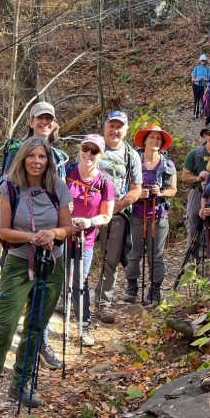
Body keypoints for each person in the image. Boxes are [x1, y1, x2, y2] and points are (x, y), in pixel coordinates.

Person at [0, 138, 73, 418]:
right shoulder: (9, 188)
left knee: (36, 326)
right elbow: (3, 231)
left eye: (42, 156)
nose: (37, 161)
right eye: (31, 156)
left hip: (52, 263)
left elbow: (68, 227)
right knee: (4, 327)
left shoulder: (58, 186)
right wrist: (33, 237)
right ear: (22, 158)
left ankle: (21, 384)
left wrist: (53, 233)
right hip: (19, 263)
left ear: (48, 160)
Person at [0, 100, 69, 370]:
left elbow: (61, 194)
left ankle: (37, 347)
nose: (44, 123)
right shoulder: (17, 150)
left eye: (49, 119)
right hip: (19, 240)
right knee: (5, 291)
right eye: (39, 118)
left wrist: (60, 224)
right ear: (31, 122)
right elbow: (9, 185)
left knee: (40, 300)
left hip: (50, 244)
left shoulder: (57, 156)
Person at [93, 111, 142, 324]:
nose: (115, 130)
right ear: (105, 127)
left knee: (110, 259)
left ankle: (103, 304)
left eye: (119, 127)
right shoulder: (93, 147)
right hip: (88, 212)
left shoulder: (131, 155)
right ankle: (69, 298)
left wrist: (120, 204)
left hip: (117, 215)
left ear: (126, 130)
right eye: (111, 126)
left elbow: (136, 188)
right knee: (77, 256)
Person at [64, 135, 115, 343]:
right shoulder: (66, 172)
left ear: (100, 155)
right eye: (86, 148)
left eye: (94, 151)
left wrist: (89, 222)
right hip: (61, 236)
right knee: (58, 279)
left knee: (80, 281)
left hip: (86, 238)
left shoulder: (105, 182)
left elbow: (106, 215)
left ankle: (83, 327)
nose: (88, 154)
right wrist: (66, 219)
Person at [123, 125, 177, 307]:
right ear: (144, 141)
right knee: (134, 251)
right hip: (136, 214)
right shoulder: (133, 161)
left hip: (158, 214)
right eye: (152, 137)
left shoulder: (167, 164)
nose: (155, 141)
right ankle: (132, 286)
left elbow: (173, 190)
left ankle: (155, 290)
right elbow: (124, 187)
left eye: (158, 138)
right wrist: (138, 194)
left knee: (156, 254)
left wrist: (160, 193)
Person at [181, 123, 210, 246]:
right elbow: (185, 176)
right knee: (193, 226)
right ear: (205, 135)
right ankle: (191, 256)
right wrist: (199, 178)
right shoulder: (195, 154)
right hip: (197, 193)